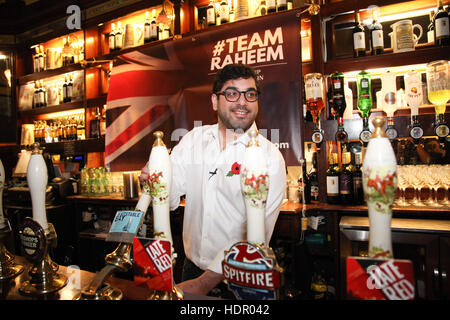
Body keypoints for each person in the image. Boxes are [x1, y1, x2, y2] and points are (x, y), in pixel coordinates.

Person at [141, 64, 286, 296]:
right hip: (190, 269)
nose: (242, 102)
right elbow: (168, 197)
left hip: (240, 277)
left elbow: (257, 235)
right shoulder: (193, 141)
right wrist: (155, 181)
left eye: (250, 94)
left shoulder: (269, 157)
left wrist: (205, 283)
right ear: (214, 101)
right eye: (231, 93)